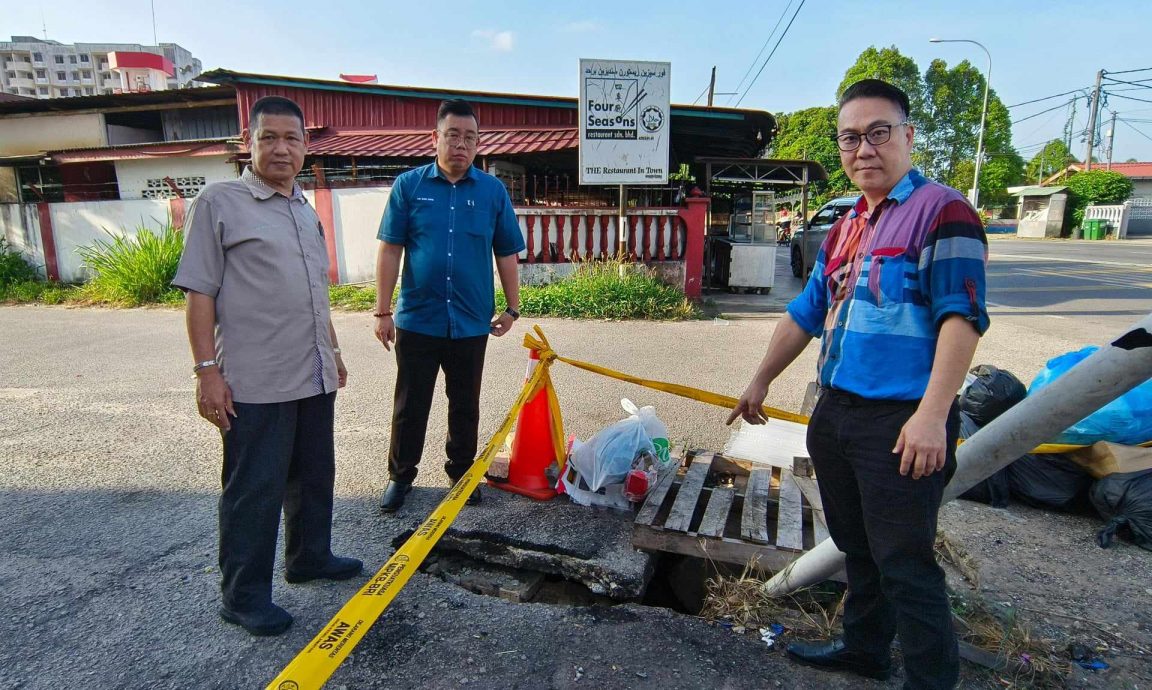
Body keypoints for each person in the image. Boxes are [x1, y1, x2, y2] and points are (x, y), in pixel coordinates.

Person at [727, 79, 989, 689]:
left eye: (879, 133)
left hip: (901, 420)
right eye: (851, 137)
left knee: (905, 562)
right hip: (837, 412)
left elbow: (962, 318)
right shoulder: (847, 224)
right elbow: (805, 315)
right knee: (857, 545)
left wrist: (931, 416)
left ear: (907, 136)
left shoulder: (945, 210)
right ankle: (866, 650)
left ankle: (931, 679)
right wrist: (759, 381)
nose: (864, 149)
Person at [173, 95, 362, 637]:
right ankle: (243, 596)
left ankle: (309, 557)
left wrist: (334, 351)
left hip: (313, 372)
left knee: (312, 475)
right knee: (254, 489)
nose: (281, 148)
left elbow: (314, 293)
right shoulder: (220, 203)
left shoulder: (305, 208)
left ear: (306, 146)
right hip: (255, 381)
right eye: (269, 138)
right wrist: (207, 370)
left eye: (292, 138)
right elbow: (199, 294)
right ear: (247, 144)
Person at [374, 99, 525, 514]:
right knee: (410, 403)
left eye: (470, 137)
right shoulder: (409, 186)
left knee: (465, 403)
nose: (461, 144)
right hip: (418, 320)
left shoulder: (493, 191)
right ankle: (400, 477)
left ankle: (461, 475)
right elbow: (390, 249)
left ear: (478, 144)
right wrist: (382, 311)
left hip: (471, 321)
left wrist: (513, 309)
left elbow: (507, 253)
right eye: (453, 135)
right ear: (435, 138)